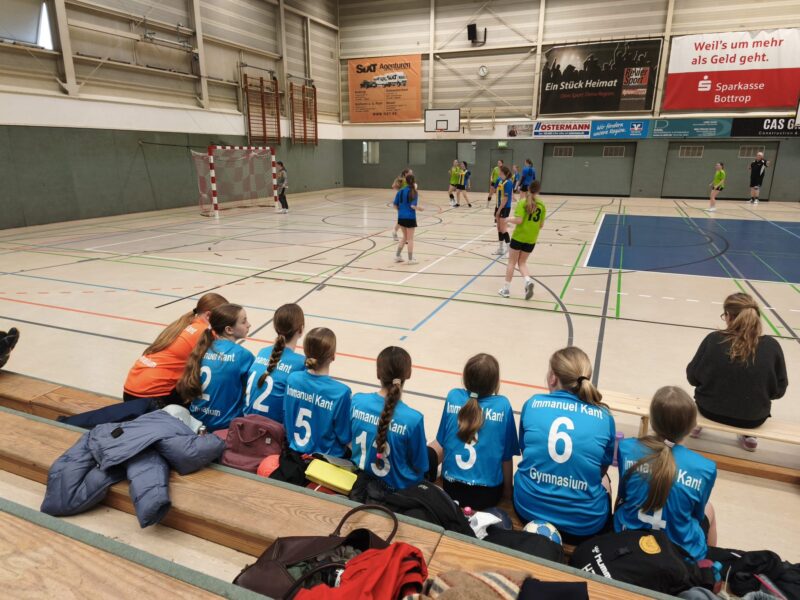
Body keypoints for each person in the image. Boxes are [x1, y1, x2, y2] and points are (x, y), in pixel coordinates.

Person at [514, 347, 616, 545]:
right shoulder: (605, 416)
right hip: (584, 526)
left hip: (528, 510)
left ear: (553, 378)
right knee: (606, 481)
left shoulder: (532, 404)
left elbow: (526, 453)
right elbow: (601, 471)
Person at [615, 386, 717, 562]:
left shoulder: (627, 448)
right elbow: (696, 514)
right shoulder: (705, 468)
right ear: (691, 426)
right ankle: (706, 566)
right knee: (709, 509)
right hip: (678, 552)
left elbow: (622, 496)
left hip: (628, 538)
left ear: (652, 422)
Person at [687, 293, 788, 451]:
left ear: (728, 316)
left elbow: (692, 377)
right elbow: (779, 390)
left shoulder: (713, 339)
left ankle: (698, 423)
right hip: (752, 419)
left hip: (709, 410)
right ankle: (748, 436)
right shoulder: (771, 346)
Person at [431, 353, 519, 510]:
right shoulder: (502, 405)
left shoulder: (453, 396)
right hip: (488, 495)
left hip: (451, 489)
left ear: (465, 378)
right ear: (495, 383)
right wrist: (507, 493)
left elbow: (443, 443)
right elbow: (506, 458)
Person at [124, 293, 228, 406]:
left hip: (132, 389)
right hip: (150, 396)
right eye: (222, 319)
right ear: (208, 315)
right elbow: (226, 359)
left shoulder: (184, 323)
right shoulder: (204, 331)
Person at [350, 346, 428, 491]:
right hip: (397, 494)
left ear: (378, 373)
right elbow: (420, 465)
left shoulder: (357, 401)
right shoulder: (413, 419)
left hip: (358, 484)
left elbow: (347, 439)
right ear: (408, 374)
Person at [177, 303, 254, 431]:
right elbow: (252, 392)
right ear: (229, 330)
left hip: (195, 420)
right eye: (244, 321)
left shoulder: (201, 348)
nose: (249, 324)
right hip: (224, 426)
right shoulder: (242, 355)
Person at [284, 327, 352, 457]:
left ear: (306, 352)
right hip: (325, 462)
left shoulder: (292, 379)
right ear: (333, 356)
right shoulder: (341, 392)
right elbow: (345, 437)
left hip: (294, 454)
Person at [243, 303, 305, 424]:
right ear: (301, 329)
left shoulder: (263, 352)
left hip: (245, 424)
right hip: (272, 431)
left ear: (276, 328)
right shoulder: (301, 363)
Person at [499, 180, 546, 300]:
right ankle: (528, 281)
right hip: (531, 239)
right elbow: (541, 225)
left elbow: (519, 220)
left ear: (528, 189)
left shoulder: (523, 202)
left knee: (511, 262)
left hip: (519, 237)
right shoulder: (542, 205)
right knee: (522, 263)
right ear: (538, 191)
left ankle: (506, 289)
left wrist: (507, 219)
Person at [394, 174, 424, 265]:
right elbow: (412, 206)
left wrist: (401, 211)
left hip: (401, 217)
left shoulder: (400, 191)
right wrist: (420, 208)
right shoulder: (413, 192)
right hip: (410, 217)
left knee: (405, 237)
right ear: (414, 181)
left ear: (405, 181)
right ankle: (410, 259)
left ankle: (397, 256)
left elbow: (395, 205)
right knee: (410, 239)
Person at [493, 165, 514, 255]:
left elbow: (505, 199)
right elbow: (494, 189)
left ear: (505, 173)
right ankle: (501, 249)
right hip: (498, 206)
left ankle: (510, 250)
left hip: (504, 207)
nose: (499, 174)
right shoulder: (499, 180)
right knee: (499, 228)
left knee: (503, 228)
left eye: (501, 173)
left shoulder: (508, 183)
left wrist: (499, 210)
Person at [391, 168, 411, 241]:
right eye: (410, 173)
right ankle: (405, 237)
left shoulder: (408, 180)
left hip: (406, 201)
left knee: (403, 219)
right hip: (402, 202)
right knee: (403, 219)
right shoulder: (403, 180)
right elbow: (393, 186)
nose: (412, 174)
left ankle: (395, 232)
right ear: (406, 173)